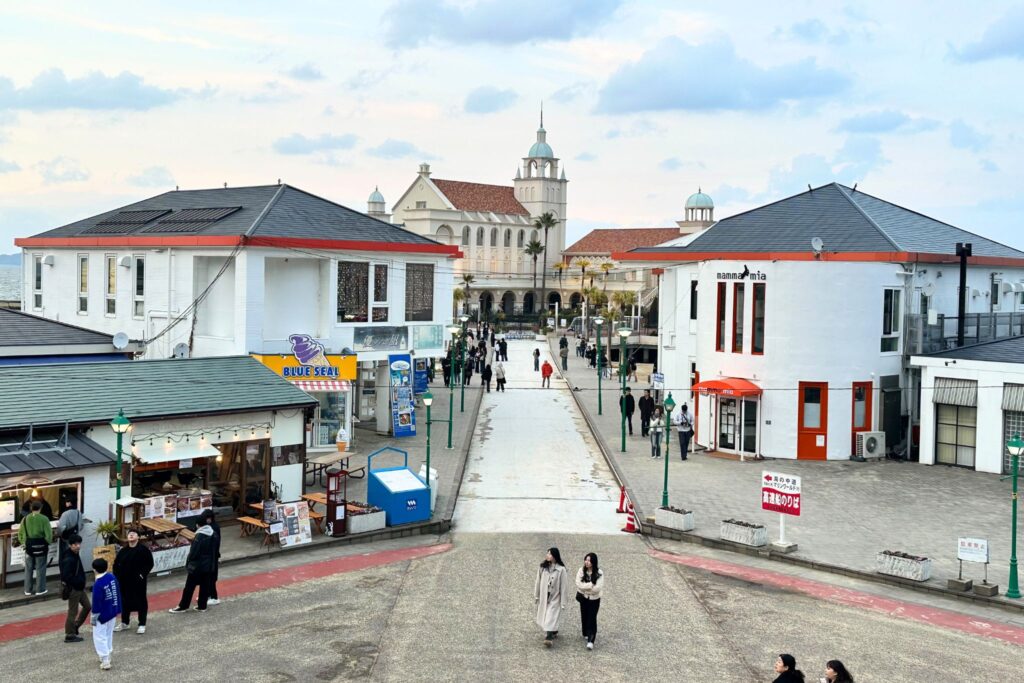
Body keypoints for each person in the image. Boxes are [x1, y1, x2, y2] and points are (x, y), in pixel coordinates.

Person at [168, 516, 217, 613]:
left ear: (198, 525)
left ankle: (183, 606)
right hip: (208, 565)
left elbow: (194, 552)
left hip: (197, 565)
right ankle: (202, 606)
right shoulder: (213, 533)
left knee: (189, 587)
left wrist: (189, 561)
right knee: (204, 586)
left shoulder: (199, 536)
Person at [114, 529, 154, 633]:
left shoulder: (143, 550)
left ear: (138, 537)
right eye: (129, 534)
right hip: (124, 582)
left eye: (133, 534)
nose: (131, 535)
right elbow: (116, 564)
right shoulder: (123, 551)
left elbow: (149, 564)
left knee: (141, 601)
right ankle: (125, 622)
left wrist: (142, 575)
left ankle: (142, 623)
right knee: (125, 602)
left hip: (138, 581)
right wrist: (117, 576)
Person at [534, 547, 572, 646]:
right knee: (546, 615)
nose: (547, 555)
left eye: (550, 554)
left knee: (550, 616)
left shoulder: (561, 570)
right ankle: (553, 631)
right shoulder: (542, 568)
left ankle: (549, 637)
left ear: (555, 556)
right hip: (544, 597)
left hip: (555, 598)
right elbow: (538, 582)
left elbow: (564, 587)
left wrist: (563, 602)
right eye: (547, 553)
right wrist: (536, 595)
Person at [90, 558, 121, 671]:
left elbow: (96, 603)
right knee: (108, 634)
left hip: (101, 615)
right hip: (112, 611)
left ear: (94, 570)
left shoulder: (98, 584)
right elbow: (116, 593)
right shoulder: (112, 577)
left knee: (99, 636)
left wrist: (93, 618)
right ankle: (108, 654)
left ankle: (105, 659)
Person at [18, 500, 52, 596]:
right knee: (40, 568)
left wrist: (24, 543)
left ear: (31, 508)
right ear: (40, 508)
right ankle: (40, 589)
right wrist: (46, 543)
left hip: (29, 547)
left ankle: (27, 590)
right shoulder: (44, 519)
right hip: (41, 547)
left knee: (28, 569)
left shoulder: (25, 519)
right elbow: (49, 535)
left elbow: (20, 533)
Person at [59, 533, 89, 643]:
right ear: (70, 545)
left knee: (87, 606)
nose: (78, 546)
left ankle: (75, 625)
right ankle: (69, 634)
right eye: (75, 544)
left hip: (79, 587)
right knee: (73, 611)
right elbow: (66, 576)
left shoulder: (74, 554)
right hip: (74, 588)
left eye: (79, 544)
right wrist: (78, 582)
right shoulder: (69, 558)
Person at [575, 552, 604, 650]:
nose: (587, 562)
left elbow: (597, 588)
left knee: (592, 617)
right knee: (584, 615)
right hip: (583, 597)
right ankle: (586, 632)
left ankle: (591, 640)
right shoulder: (581, 570)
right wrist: (589, 585)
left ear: (593, 562)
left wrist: (586, 588)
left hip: (594, 599)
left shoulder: (599, 573)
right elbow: (578, 583)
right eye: (586, 560)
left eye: (589, 560)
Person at [202, 510, 222, 605]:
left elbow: (216, 543)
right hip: (209, 555)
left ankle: (214, 597)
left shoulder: (214, 527)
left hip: (213, 556)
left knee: (211, 577)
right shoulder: (209, 526)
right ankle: (207, 595)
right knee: (207, 577)